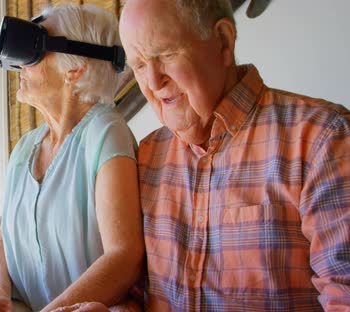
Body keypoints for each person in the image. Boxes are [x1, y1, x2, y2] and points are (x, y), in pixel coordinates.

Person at [114, 0, 350, 310]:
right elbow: (137, 295)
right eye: (140, 65)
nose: (154, 82)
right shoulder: (145, 157)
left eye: (166, 54)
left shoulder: (322, 137)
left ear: (224, 41)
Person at [0, 4, 143, 312]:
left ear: (75, 69)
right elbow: (4, 239)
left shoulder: (105, 133)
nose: (19, 66)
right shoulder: (24, 149)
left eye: (33, 49)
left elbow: (125, 256)